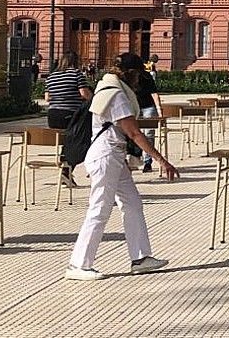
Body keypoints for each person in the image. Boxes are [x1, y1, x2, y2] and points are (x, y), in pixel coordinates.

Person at [67, 52, 179, 281]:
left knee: (133, 204)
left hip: (113, 156)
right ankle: (78, 264)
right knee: (99, 209)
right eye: (138, 74)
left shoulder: (106, 87)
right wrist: (162, 161)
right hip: (106, 156)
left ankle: (140, 258)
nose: (139, 80)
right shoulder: (115, 95)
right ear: (131, 74)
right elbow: (133, 132)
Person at [44, 51, 94, 187]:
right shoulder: (76, 74)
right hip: (71, 114)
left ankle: (66, 171)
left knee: (66, 141)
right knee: (80, 140)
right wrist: (94, 99)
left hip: (53, 115)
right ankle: (66, 170)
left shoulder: (51, 76)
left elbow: (47, 98)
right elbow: (84, 93)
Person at [131, 63, 163, 173]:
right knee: (133, 134)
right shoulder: (127, 78)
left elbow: (154, 93)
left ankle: (147, 162)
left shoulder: (147, 77)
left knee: (149, 134)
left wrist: (159, 109)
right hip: (134, 108)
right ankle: (134, 159)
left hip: (148, 107)